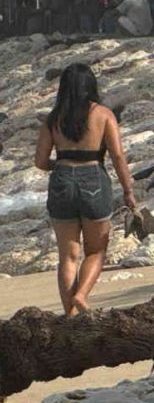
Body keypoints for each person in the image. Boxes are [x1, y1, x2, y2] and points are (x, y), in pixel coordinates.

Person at [35, 63, 137, 316]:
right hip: (94, 176)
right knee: (96, 250)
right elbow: (118, 156)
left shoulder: (54, 118)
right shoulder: (103, 115)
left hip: (61, 179)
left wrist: (60, 167)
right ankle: (81, 295)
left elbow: (39, 161)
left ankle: (69, 315)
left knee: (68, 256)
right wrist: (128, 191)